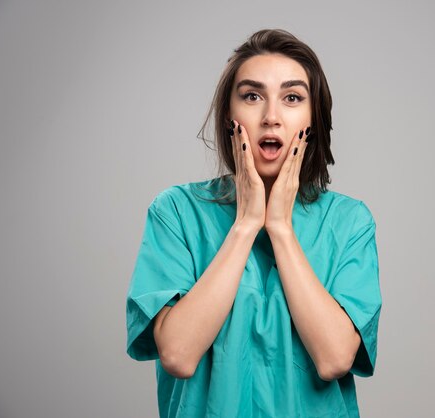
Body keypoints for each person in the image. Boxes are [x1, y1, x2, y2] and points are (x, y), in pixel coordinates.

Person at [126, 28, 382, 418]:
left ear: (314, 118)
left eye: (293, 98)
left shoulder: (349, 222)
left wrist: (279, 227)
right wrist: (246, 223)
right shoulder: (176, 212)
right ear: (230, 116)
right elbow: (178, 354)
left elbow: (334, 358)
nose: (271, 117)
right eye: (252, 96)